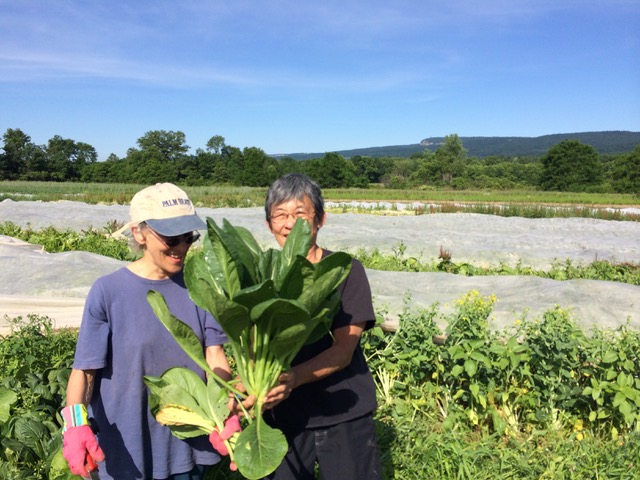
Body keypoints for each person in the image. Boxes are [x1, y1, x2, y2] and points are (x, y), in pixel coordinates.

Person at [61, 182, 232, 480]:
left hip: (187, 446)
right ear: (139, 233)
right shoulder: (108, 291)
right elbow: (85, 370)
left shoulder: (201, 288)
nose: (181, 246)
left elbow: (215, 357)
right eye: (170, 237)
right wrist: (75, 425)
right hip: (127, 450)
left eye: (188, 236)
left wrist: (226, 408)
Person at [259, 173, 382, 479]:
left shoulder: (344, 269)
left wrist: (292, 378)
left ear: (320, 219)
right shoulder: (261, 275)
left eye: (300, 214)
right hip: (282, 417)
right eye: (281, 215)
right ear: (268, 223)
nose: (290, 224)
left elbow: (343, 350)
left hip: (342, 413)